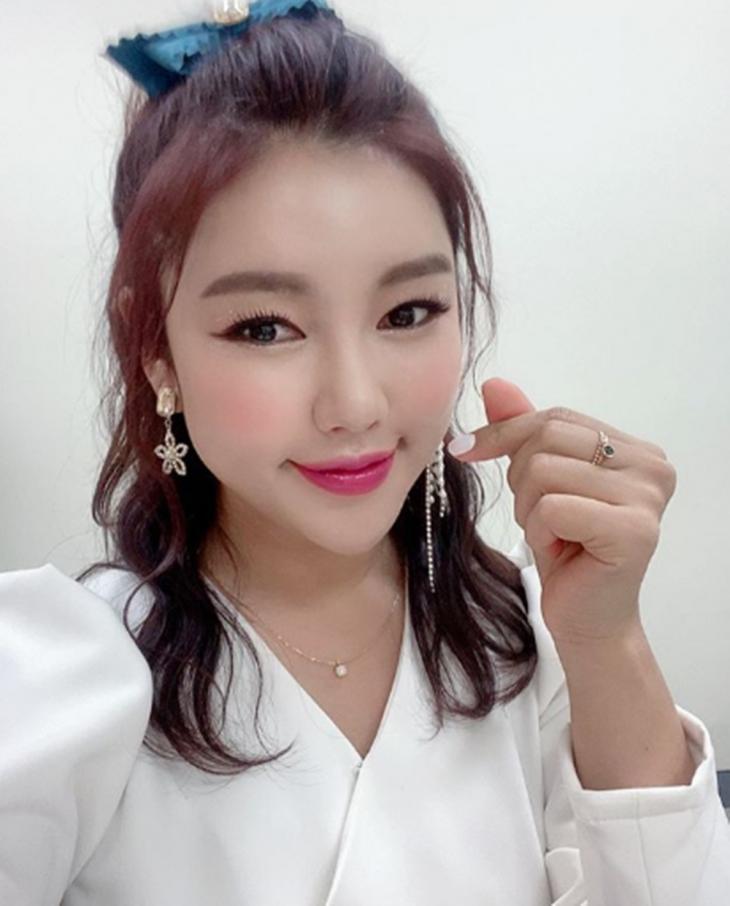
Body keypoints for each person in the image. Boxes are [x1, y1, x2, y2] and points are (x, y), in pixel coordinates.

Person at [1, 2, 729, 903]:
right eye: (265, 327)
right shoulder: (61, 678)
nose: (355, 404)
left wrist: (608, 637)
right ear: (156, 349)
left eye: (407, 312)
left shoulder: (528, 638)